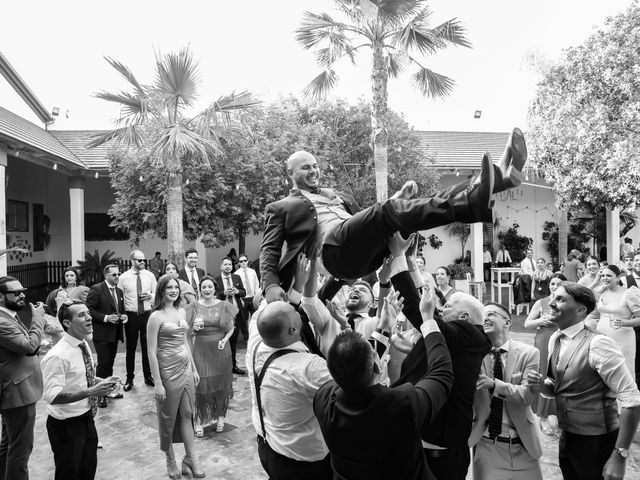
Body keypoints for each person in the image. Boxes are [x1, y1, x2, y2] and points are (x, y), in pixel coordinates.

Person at [260, 128, 528, 303]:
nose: (314, 171)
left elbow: (371, 223)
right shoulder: (281, 206)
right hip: (331, 253)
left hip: (362, 253)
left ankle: (501, 180)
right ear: (290, 175)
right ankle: (477, 197)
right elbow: (270, 249)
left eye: (316, 165)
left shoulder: (339, 196)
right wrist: (270, 285)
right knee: (389, 211)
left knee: (405, 215)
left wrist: (397, 201)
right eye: (305, 168)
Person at [313, 285, 454, 480]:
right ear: (379, 367)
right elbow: (442, 374)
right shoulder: (403, 403)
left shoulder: (323, 398)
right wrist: (428, 319)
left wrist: (384, 327)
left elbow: (358, 363)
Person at [390, 247, 490, 480]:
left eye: (449, 306)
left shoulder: (469, 334)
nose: (442, 308)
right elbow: (428, 300)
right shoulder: (455, 339)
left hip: (440, 456)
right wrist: (409, 261)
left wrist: (396, 257)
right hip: (421, 444)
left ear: (464, 317)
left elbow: (421, 311)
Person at [527, 282, 640, 480]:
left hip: (597, 442)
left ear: (581, 310)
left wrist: (620, 456)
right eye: (553, 297)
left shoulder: (599, 344)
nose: (551, 303)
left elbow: (632, 399)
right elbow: (556, 386)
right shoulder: (556, 338)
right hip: (567, 438)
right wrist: (538, 385)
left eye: (560, 299)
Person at [247, 300, 334, 480]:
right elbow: (356, 379)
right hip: (302, 464)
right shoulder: (309, 367)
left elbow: (263, 312)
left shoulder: (255, 344)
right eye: (293, 310)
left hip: (267, 448)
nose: (295, 308)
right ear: (293, 330)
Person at [41, 300, 119, 480]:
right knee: (69, 474)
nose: (89, 317)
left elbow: (81, 377)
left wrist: (103, 382)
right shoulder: (57, 355)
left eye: (88, 313)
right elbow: (52, 396)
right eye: (82, 315)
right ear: (67, 323)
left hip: (86, 419)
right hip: (66, 426)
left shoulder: (83, 345)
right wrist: (92, 392)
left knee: (87, 470)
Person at [470, 302, 542, 480]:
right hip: (487, 446)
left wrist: (494, 384)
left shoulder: (529, 353)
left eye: (491, 314)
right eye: (482, 316)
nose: (485, 318)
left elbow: (525, 396)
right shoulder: (473, 356)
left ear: (507, 322)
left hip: (523, 445)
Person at [146, 275, 204, 479]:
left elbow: (185, 342)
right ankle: (170, 460)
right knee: (168, 417)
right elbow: (151, 351)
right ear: (161, 290)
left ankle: (190, 458)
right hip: (167, 372)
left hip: (186, 368)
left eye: (176, 287)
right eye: (169, 287)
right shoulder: (155, 317)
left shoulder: (181, 310)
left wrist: (194, 369)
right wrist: (158, 383)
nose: (173, 290)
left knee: (188, 412)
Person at [0, 276, 46, 480]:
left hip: (16, 390)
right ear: (1, 297)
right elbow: (29, 347)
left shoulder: (9, 316)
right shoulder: (2, 322)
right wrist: (38, 319)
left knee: (8, 444)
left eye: (22, 291)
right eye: (16, 293)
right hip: (18, 393)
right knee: (20, 450)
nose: (22, 295)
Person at [185, 276, 236, 436]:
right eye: (204, 287)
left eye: (210, 287)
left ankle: (220, 416)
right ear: (199, 289)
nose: (207, 289)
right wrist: (194, 328)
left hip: (221, 351)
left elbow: (230, 328)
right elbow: (187, 333)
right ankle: (199, 419)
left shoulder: (224, 306)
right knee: (201, 385)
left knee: (220, 385)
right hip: (200, 349)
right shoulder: (193, 307)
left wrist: (225, 340)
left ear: (215, 289)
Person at [524, 273, 566, 433]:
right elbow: (527, 324)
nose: (555, 287)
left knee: (560, 375)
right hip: (543, 340)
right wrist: (540, 321)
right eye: (553, 284)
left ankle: (559, 414)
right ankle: (542, 416)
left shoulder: (566, 303)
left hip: (561, 339)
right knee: (543, 374)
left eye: (558, 284)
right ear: (549, 285)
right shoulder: (541, 302)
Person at [585, 265, 640, 377]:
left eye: (609, 275)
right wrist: (596, 282)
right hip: (602, 337)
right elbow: (581, 295)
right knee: (604, 370)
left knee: (624, 372)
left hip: (623, 339)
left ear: (618, 277)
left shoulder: (629, 293)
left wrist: (624, 323)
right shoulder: (601, 292)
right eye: (603, 275)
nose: (605, 278)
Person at [85, 264, 127, 408]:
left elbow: (120, 309)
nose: (117, 277)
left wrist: (124, 316)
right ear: (106, 276)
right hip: (102, 333)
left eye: (118, 274)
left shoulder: (119, 291)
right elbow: (88, 309)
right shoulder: (97, 289)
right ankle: (99, 395)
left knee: (110, 363)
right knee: (103, 364)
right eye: (114, 275)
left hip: (114, 333)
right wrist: (105, 318)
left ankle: (109, 390)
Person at [119, 250, 157, 392]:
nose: (142, 263)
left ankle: (148, 376)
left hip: (147, 314)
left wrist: (149, 296)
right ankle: (130, 378)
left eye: (143, 260)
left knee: (148, 347)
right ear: (131, 260)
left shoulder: (150, 275)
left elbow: (157, 294)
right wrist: (122, 315)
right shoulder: (123, 278)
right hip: (131, 316)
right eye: (139, 260)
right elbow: (119, 298)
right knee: (131, 348)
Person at [214, 257, 247, 374]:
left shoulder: (236, 277)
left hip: (236, 313)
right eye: (225, 264)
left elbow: (244, 292)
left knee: (233, 341)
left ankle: (233, 366)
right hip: (223, 314)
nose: (228, 266)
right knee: (222, 340)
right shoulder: (216, 279)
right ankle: (221, 366)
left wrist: (237, 292)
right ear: (221, 266)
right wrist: (224, 293)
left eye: (230, 264)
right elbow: (215, 296)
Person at [621, 253, 640, 387]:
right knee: (636, 360)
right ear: (632, 263)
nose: (639, 262)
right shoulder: (624, 280)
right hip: (634, 328)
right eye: (637, 260)